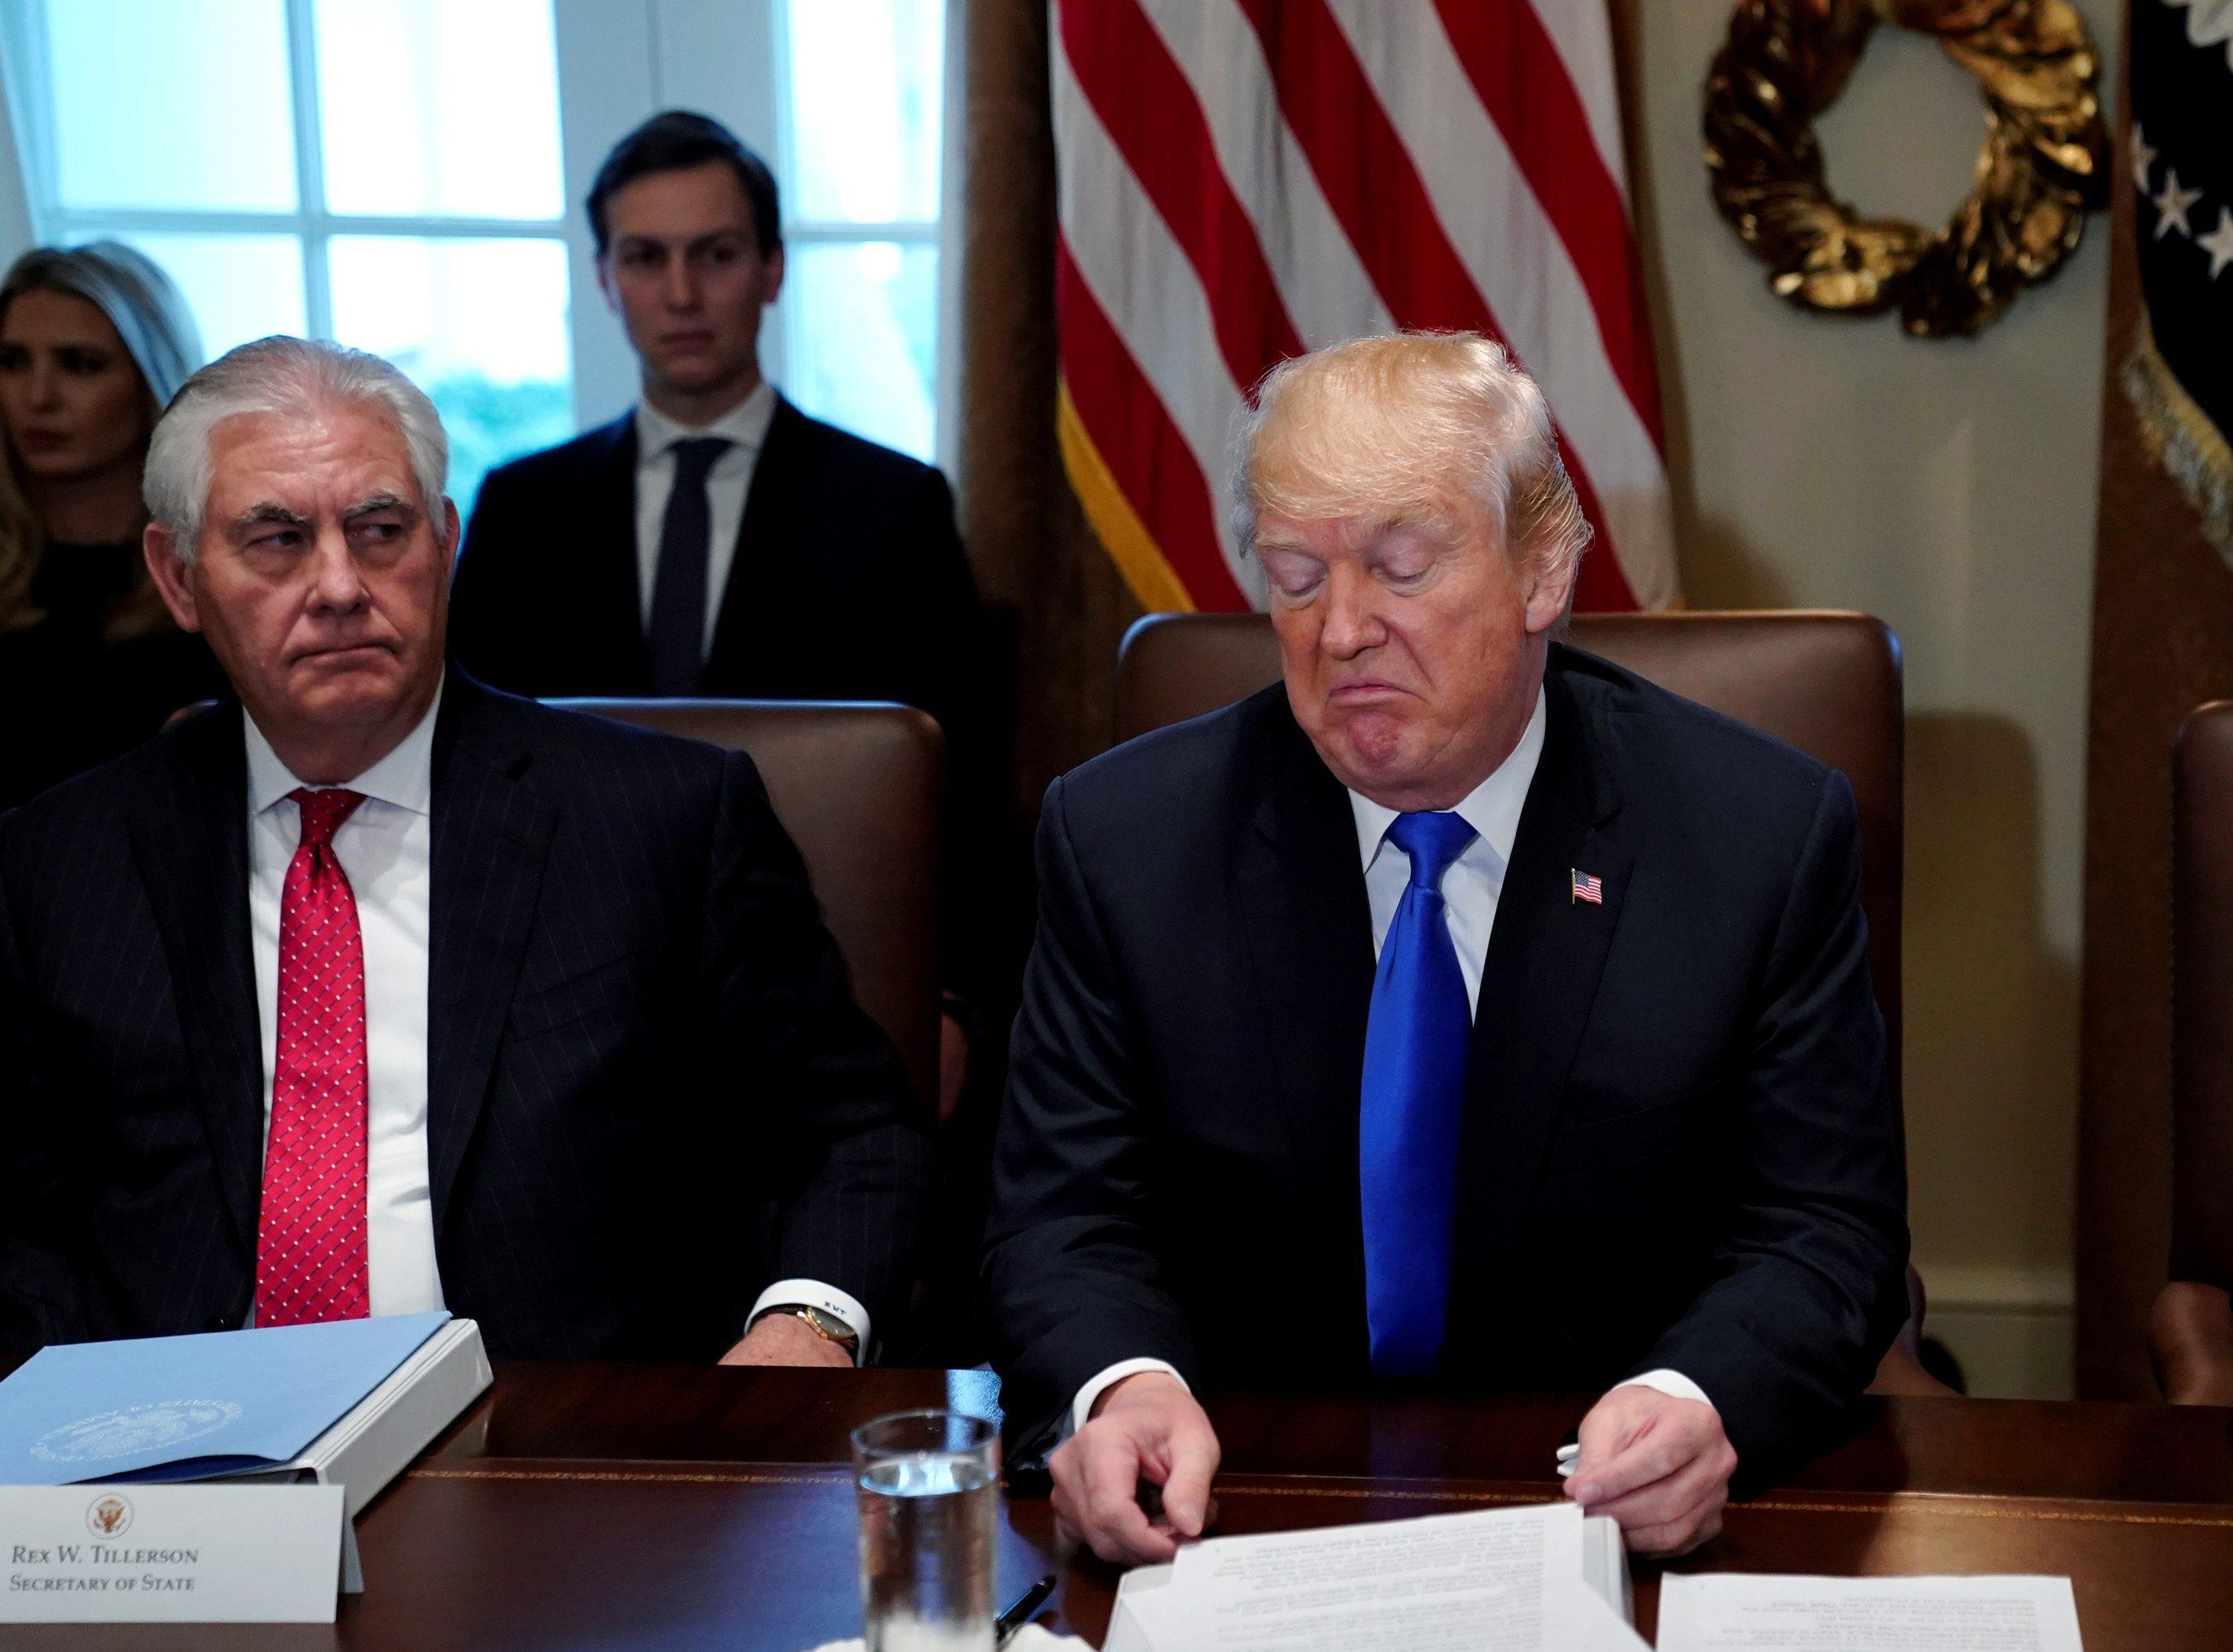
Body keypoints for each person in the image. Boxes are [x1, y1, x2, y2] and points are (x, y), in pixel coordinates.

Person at [985, 332, 1909, 1564]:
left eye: (1402, 566)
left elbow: (1824, 1223)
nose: (1343, 629)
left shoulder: (1756, 835)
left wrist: (1699, 1399)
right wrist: (1121, 1383)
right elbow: (1061, 1217)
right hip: (1240, 1508)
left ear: (1544, 569)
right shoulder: (1122, 839)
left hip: (1608, 1504)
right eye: (1297, 576)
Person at [0, 337, 929, 1368]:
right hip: (182, 1473)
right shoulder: (58, 862)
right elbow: (20, 1218)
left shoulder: (662, 819)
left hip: (566, 1455)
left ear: (444, 544)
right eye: (277, 540)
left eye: (380, 529)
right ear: (178, 577)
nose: (340, 584)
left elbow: (857, 1135)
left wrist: (806, 1324)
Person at [448, 110, 1008, 1132]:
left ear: (772, 269)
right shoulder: (524, 509)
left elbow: (959, 774)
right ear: (605, 279)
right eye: (645, 258)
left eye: (715, 254)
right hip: (559, 984)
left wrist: (947, 995)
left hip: (828, 969)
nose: (681, 292)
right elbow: (465, 758)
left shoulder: (892, 506)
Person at [0, 243, 223, 810]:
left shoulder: (218, 575)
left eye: (80, 365)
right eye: (13, 362)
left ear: (152, 379)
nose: (38, 397)